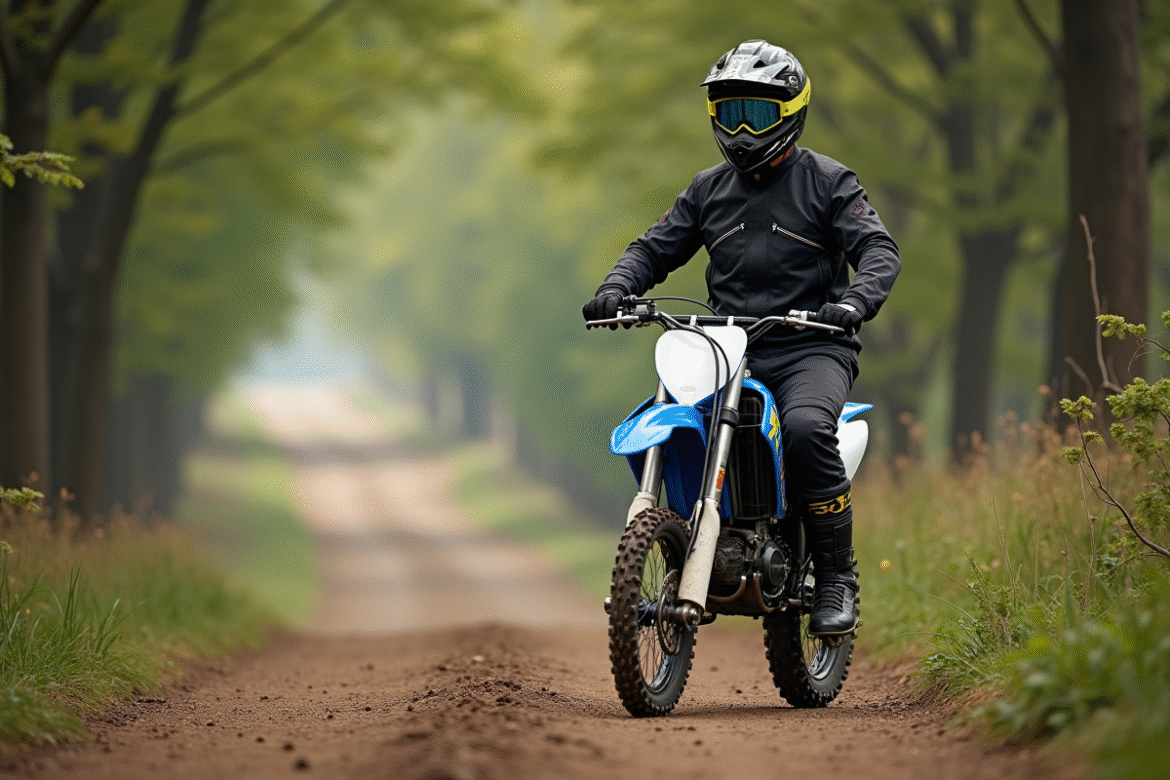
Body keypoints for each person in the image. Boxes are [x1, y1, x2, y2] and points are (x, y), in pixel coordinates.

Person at [582, 40, 900, 638]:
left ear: (790, 112)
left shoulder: (831, 183)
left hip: (811, 347)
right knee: (667, 415)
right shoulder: (707, 190)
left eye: (756, 113)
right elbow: (654, 248)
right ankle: (691, 534)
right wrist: (618, 286)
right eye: (731, 114)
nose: (743, 130)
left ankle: (836, 577)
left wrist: (854, 302)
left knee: (806, 430)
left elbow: (878, 249)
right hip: (725, 348)